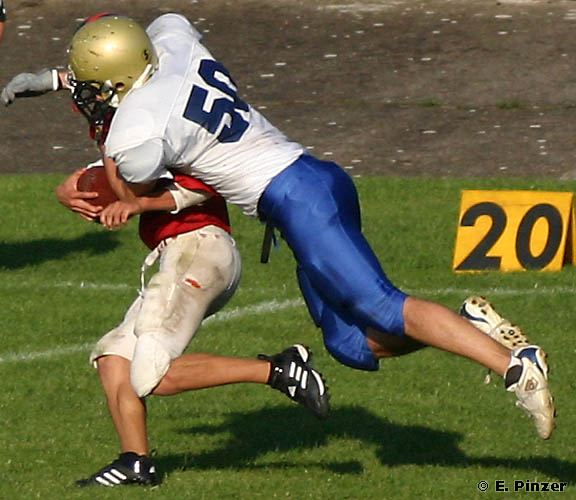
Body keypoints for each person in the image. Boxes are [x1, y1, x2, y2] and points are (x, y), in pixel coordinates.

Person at [2, 12, 555, 444]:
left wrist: (107, 172)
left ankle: (516, 366)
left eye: (93, 87)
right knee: (350, 343)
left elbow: (130, 185)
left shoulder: (137, 125)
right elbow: (151, 45)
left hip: (298, 199)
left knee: (384, 306)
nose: (88, 97)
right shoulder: (172, 41)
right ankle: (471, 327)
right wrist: (56, 79)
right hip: (312, 186)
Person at [52, 164, 329, 487]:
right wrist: (69, 190)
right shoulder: (132, 139)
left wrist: (137, 202)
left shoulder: (175, 137)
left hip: (200, 247)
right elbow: (124, 162)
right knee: (114, 356)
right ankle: (135, 462)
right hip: (183, 251)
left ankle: (279, 369)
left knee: (151, 373)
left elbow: (202, 183)